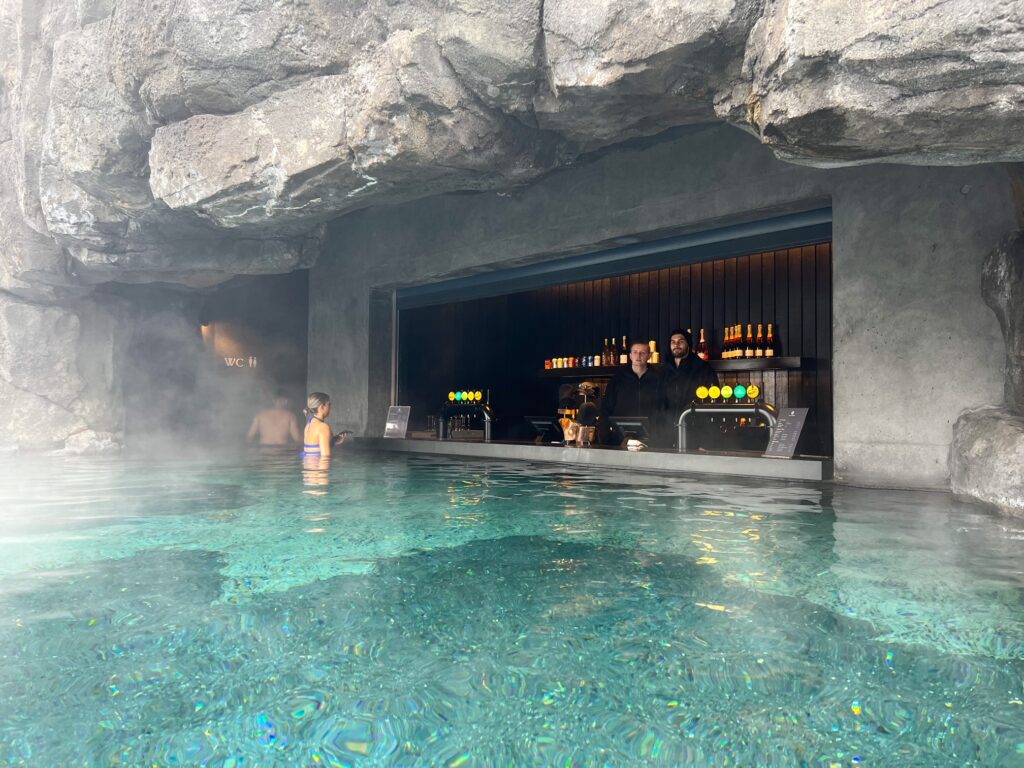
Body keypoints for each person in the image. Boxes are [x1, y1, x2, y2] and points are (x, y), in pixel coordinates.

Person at [599, 339, 665, 446]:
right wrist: (607, 441)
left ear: (649, 356)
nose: (638, 356)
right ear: (630, 355)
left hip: (652, 442)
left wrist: (661, 439)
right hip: (621, 442)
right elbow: (605, 410)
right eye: (635, 352)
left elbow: (665, 410)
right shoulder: (618, 379)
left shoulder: (659, 379)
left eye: (642, 353)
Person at [663, 328, 719, 449]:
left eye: (680, 341)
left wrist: (706, 442)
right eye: (673, 342)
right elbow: (658, 405)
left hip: (695, 437)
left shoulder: (703, 368)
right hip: (668, 437)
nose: (676, 345)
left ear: (689, 344)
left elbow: (713, 406)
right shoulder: (664, 370)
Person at [301, 392, 347, 457]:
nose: (331, 407)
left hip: (308, 464)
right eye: (329, 404)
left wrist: (333, 442)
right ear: (322, 407)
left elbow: (314, 449)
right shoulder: (323, 427)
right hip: (317, 466)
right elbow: (325, 457)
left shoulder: (309, 423)